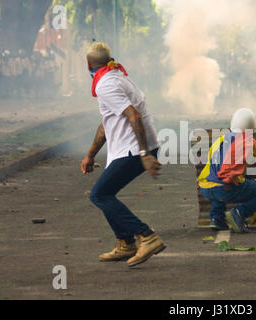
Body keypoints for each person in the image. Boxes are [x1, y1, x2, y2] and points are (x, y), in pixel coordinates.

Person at [81, 42, 166, 267]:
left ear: (88, 64)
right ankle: (126, 243)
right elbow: (107, 123)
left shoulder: (106, 84)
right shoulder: (117, 77)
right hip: (132, 148)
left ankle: (146, 237)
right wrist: (90, 155)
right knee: (105, 193)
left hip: (133, 149)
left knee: (100, 195)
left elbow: (134, 116)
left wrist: (143, 153)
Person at [197, 108, 256, 233]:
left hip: (206, 187)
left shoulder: (219, 141)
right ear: (252, 129)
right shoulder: (251, 143)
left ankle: (217, 219)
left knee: (218, 185)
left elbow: (212, 166)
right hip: (225, 187)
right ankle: (239, 212)